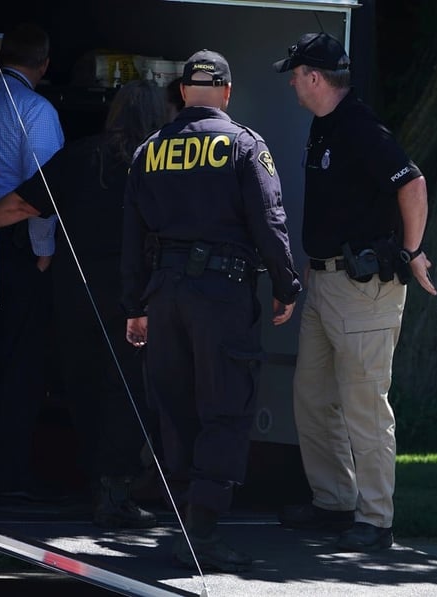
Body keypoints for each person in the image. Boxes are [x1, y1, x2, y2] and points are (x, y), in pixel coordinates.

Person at [120, 50, 301, 571]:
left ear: (181, 93)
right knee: (226, 405)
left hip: (164, 294)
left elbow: (131, 238)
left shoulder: (149, 151)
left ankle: (183, 522)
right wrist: (286, 286)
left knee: (175, 408)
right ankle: (202, 531)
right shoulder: (244, 145)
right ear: (226, 92)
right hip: (221, 293)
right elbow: (269, 221)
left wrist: (135, 305)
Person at [272, 32, 437, 553]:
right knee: (313, 399)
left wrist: (411, 251)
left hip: (362, 288)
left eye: (295, 75)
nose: (293, 84)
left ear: (314, 77)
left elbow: (412, 183)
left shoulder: (360, 126)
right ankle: (335, 503)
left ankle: (375, 518)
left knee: (364, 405)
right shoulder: (326, 125)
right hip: (324, 282)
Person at [0, 80, 168, 528]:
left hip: (75, 292)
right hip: (135, 294)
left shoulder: (83, 154)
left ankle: (94, 482)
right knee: (128, 390)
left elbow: (24, 205)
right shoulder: (160, 163)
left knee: (83, 384)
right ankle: (115, 490)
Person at [0, 22, 65, 499]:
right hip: (15, 248)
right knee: (20, 364)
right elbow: (42, 192)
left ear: (0, 56)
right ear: (45, 65)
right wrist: (44, 252)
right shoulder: (38, 111)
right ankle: (7, 474)